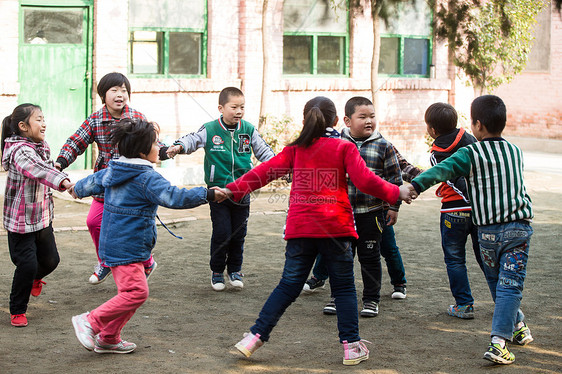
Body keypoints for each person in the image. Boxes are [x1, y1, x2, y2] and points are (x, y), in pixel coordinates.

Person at [219, 96, 414, 365]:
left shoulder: (295, 150)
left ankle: (254, 337)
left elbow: (263, 172)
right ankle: (351, 347)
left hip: (301, 229)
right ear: (336, 121)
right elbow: (366, 180)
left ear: (305, 119)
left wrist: (232, 189)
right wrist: (398, 191)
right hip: (337, 228)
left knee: (288, 286)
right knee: (344, 287)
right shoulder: (344, 148)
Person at [70, 118, 225, 354]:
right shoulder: (147, 178)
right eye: (156, 144)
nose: (160, 148)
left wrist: (76, 189)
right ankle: (90, 321)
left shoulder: (115, 169)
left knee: (131, 292)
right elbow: (175, 197)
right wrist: (208, 194)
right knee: (136, 293)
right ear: (142, 152)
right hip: (127, 248)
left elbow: (94, 181)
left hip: (120, 244)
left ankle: (109, 337)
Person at [409, 95, 534, 365]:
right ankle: (509, 335)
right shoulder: (515, 151)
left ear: (477, 124)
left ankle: (509, 335)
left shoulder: (471, 153)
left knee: (499, 283)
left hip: (488, 234)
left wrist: (414, 186)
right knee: (509, 285)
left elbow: (441, 171)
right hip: (517, 232)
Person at [166, 87, 275, 291]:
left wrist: (280, 167)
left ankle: (234, 270)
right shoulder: (210, 129)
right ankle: (217, 271)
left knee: (238, 233)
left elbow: (265, 153)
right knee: (222, 232)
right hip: (218, 193)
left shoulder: (249, 130)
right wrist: (179, 146)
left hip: (243, 191)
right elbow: (192, 139)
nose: (239, 111)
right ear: (221, 108)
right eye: (234, 107)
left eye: (242, 107)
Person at [55, 72, 158, 285]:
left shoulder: (137, 118)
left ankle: (147, 261)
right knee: (94, 222)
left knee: (136, 226)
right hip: (105, 181)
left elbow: (152, 144)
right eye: (114, 90)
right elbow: (76, 142)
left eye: (124, 91)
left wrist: (168, 150)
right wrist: (61, 162)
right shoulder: (95, 119)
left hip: (132, 184)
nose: (120, 95)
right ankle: (105, 262)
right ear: (103, 95)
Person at [303, 147, 421, 308]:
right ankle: (320, 277)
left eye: (370, 118)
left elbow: (401, 168)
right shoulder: (340, 143)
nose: (367, 121)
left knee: (387, 247)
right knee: (335, 247)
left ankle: (399, 283)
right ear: (348, 121)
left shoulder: (382, 145)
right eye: (362, 118)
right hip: (345, 210)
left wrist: (424, 179)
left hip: (377, 209)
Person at [2, 104, 74, 327]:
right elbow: (37, 169)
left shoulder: (41, 146)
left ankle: (33, 278)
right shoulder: (19, 150)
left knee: (52, 260)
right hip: (21, 221)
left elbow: (47, 167)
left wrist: (62, 175)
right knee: (27, 264)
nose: (44, 124)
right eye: (38, 120)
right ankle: (17, 310)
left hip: (42, 216)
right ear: (23, 126)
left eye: (44, 119)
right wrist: (62, 181)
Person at [424, 102, 485, 319]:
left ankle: (464, 304)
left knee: (454, 259)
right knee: (485, 258)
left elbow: (449, 178)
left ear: (432, 130)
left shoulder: (436, 153)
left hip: (453, 211)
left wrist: (465, 196)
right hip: (479, 209)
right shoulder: (471, 140)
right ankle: (506, 301)